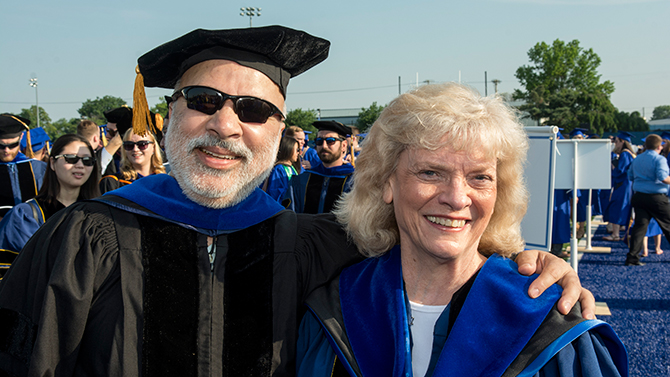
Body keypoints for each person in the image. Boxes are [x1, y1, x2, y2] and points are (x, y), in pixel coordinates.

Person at [0, 26, 593, 377]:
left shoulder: (318, 246)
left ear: (279, 131)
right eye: (204, 101)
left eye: (255, 110)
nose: (227, 126)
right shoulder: (84, 236)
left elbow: (439, 247)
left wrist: (530, 263)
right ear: (166, 116)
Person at [296, 83, 626, 377]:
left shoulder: (550, 324)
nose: (456, 198)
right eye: (430, 173)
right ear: (386, 183)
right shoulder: (332, 311)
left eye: (480, 177)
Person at [0, 134, 100, 278]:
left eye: (87, 160)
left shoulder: (99, 213)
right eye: (71, 158)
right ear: (52, 163)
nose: (80, 165)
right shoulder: (25, 216)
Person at [288, 120, 355, 214]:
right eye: (319, 141)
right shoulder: (302, 180)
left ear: (343, 146)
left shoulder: (353, 182)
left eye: (330, 141)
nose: (324, 146)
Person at [626, 133, 670, 266]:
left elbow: (630, 176)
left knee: (640, 227)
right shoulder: (659, 159)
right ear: (659, 146)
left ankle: (632, 257)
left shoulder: (638, 158)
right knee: (668, 226)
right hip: (656, 197)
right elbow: (662, 177)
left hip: (639, 196)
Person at [0, 114, 47, 219]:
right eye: (1, 146)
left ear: (21, 137)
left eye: (12, 145)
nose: (6, 150)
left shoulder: (39, 169)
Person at [99, 128, 165, 193]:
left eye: (142, 144)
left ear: (153, 147)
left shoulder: (164, 181)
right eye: (129, 145)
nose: (135, 149)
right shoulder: (114, 183)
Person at [603, 132, 635, 242]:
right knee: (624, 208)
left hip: (623, 185)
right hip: (626, 185)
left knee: (616, 208)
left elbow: (621, 171)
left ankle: (615, 234)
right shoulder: (629, 153)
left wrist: (613, 167)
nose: (615, 144)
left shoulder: (625, 154)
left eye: (616, 141)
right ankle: (625, 233)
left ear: (622, 141)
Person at [262, 136, 300, 202]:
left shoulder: (292, 168)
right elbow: (275, 193)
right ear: (288, 149)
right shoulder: (279, 169)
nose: (298, 153)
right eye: (297, 150)